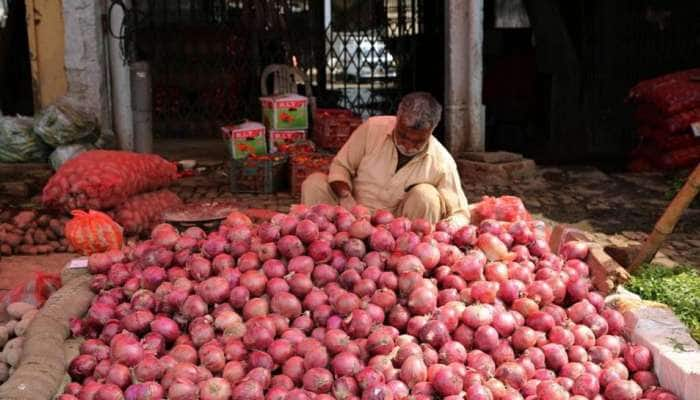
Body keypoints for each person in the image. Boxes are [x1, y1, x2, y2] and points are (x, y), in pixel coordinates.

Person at [301, 92, 470, 225]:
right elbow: (340, 167)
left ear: (432, 130)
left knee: (427, 196)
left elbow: (460, 213)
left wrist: (448, 228)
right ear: (397, 118)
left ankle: (412, 260)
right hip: (350, 215)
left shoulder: (442, 161)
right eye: (403, 135)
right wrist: (346, 199)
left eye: (418, 141)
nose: (408, 145)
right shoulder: (372, 128)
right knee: (314, 183)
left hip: (400, 233)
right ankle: (318, 247)